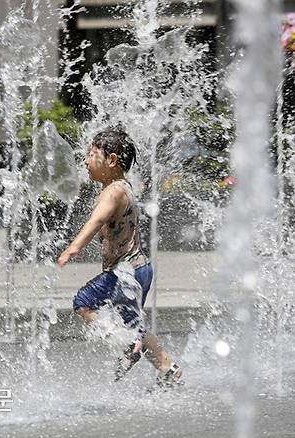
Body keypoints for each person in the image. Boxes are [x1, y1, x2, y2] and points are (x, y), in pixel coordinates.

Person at [57, 126, 182, 387]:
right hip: (140, 269)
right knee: (133, 323)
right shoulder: (122, 187)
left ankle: (126, 344)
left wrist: (73, 247)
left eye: (92, 155)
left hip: (124, 272)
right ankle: (167, 368)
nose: (86, 161)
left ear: (112, 160)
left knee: (84, 302)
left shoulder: (114, 191)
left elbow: (97, 220)